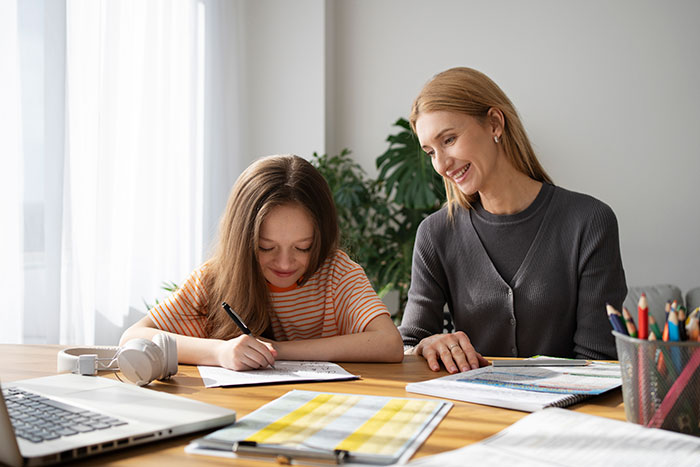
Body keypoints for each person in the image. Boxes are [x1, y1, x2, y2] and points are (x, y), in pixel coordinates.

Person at [399, 67, 627, 373]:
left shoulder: (589, 222)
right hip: (471, 411)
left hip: (566, 414)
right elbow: (409, 342)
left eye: (449, 140)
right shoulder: (435, 233)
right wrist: (426, 345)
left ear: (494, 123)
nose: (441, 164)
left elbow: (598, 358)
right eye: (430, 152)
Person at [121, 154, 403, 370]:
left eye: (303, 247)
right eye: (265, 247)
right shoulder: (214, 278)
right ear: (243, 241)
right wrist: (219, 352)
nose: (284, 263)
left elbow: (389, 344)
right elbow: (133, 337)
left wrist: (276, 350)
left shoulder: (336, 273)